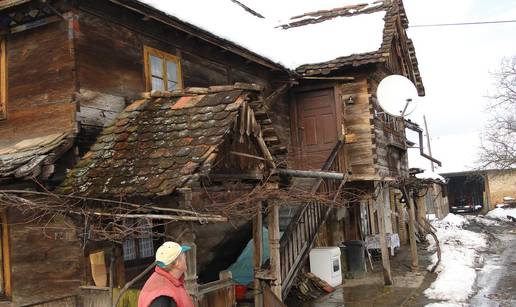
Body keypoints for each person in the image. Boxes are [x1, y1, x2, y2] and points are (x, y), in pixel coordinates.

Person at [138, 241, 195, 307]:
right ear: (177, 263)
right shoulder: (162, 296)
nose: (185, 257)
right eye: (183, 255)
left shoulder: (169, 280)